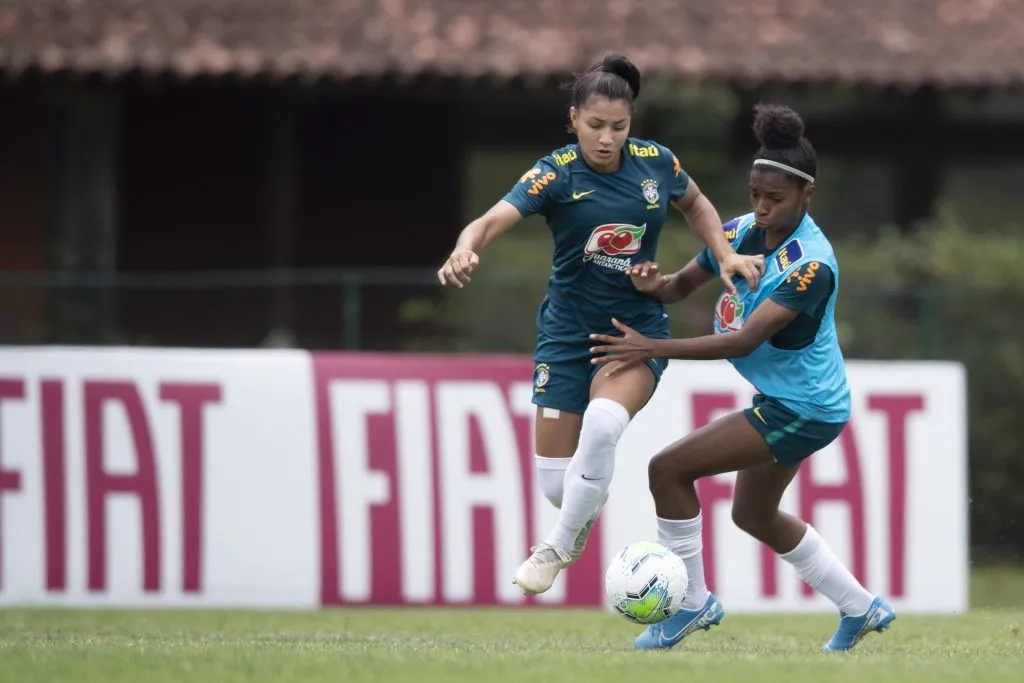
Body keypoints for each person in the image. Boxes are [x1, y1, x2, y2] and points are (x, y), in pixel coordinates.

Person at [437, 52, 765, 596]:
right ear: (573, 119)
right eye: (595, 125)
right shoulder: (555, 173)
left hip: (632, 332)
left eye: (618, 126)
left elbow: (698, 205)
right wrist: (464, 248)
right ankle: (582, 507)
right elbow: (490, 221)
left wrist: (726, 253)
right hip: (565, 336)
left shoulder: (656, 162)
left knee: (604, 424)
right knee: (557, 486)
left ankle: (555, 549)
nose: (607, 138)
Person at [588, 103, 895, 653]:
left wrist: (650, 347)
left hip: (803, 409)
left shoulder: (810, 266)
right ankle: (861, 607)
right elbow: (678, 287)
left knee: (668, 470)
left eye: (774, 198)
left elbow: (743, 340)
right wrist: (651, 283)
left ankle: (691, 604)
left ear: (806, 195)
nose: (761, 208)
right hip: (787, 399)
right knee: (753, 514)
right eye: (754, 194)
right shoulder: (740, 232)